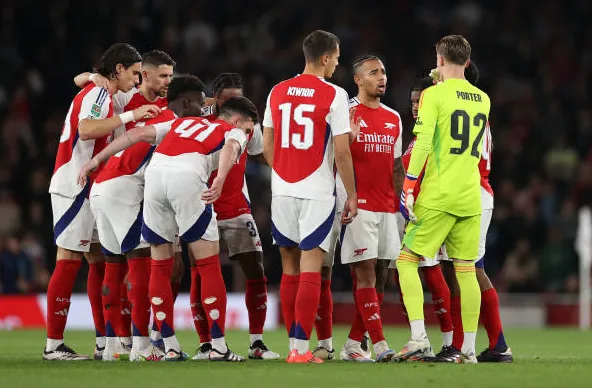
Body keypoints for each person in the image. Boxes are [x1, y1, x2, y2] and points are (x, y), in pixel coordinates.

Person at [45, 43, 159, 361]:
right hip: (74, 185)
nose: (138, 81)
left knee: (98, 259)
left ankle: (104, 339)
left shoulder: (107, 92)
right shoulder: (99, 95)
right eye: (135, 73)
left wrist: (84, 77)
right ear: (119, 69)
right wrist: (131, 114)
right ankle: (53, 344)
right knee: (68, 256)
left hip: (90, 186)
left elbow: (87, 81)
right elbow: (86, 130)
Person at [83, 75, 206, 361]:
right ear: (187, 102)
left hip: (101, 187)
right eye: (199, 104)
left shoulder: (156, 117)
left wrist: (96, 162)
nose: (202, 111)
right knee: (141, 265)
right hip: (124, 189)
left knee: (112, 266)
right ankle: (141, 346)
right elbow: (143, 144)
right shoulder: (172, 123)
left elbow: (132, 138)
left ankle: (112, 347)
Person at [262, 29, 358, 364]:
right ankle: (302, 350)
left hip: (282, 189)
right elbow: (343, 154)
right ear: (327, 57)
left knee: (289, 268)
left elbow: (267, 145)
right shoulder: (334, 94)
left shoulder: (277, 92)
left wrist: (284, 173)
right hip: (315, 190)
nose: (338, 64)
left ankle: (294, 346)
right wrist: (353, 194)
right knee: (311, 267)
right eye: (337, 58)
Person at [394, 35, 490, 364]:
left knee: (407, 261)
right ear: (467, 61)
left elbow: (421, 144)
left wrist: (408, 183)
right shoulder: (482, 99)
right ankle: (468, 351)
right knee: (466, 270)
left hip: (437, 194)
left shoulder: (434, 95)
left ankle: (419, 338)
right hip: (469, 196)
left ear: (438, 60)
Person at [190, 73, 279, 361]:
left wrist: (285, 174)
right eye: (229, 99)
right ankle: (207, 343)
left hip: (237, 207)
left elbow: (260, 153)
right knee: (200, 275)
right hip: (201, 205)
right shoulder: (197, 121)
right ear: (215, 99)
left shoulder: (246, 127)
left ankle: (256, 342)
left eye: (239, 97)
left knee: (256, 270)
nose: (235, 104)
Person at [433, 62, 513, 363]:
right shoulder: (478, 111)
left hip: (469, 192)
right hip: (478, 192)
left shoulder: (458, 110)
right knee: (467, 270)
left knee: (466, 271)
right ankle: (496, 344)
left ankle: (465, 346)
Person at [337, 54, 404, 362]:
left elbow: (395, 166)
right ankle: (379, 346)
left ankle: (353, 344)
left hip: (388, 208)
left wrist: (404, 201)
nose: (382, 77)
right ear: (358, 79)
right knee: (364, 274)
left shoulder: (394, 117)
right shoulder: (345, 113)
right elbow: (334, 158)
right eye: (374, 72)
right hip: (358, 206)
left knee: (380, 278)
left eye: (384, 71)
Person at [390, 76, 454, 357]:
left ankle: (448, 342)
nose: (416, 106)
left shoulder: (433, 135)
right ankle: (422, 337)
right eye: (413, 102)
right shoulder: (416, 138)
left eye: (421, 101)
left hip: (426, 211)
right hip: (407, 210)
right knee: (404, 274)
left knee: (431, 270)